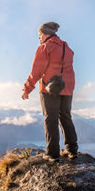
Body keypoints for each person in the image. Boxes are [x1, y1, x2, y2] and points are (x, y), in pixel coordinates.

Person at [22, 22, 78, 162]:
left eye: (40, 35)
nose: (39, 38)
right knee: (65, 117)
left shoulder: (46, 47)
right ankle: (72, 150)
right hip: (67, 88)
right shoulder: (67, 48)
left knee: (50, 119)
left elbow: (37, 71)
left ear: (46, 34)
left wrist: (27, 89)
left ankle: (52, 154)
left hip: (50, 89)